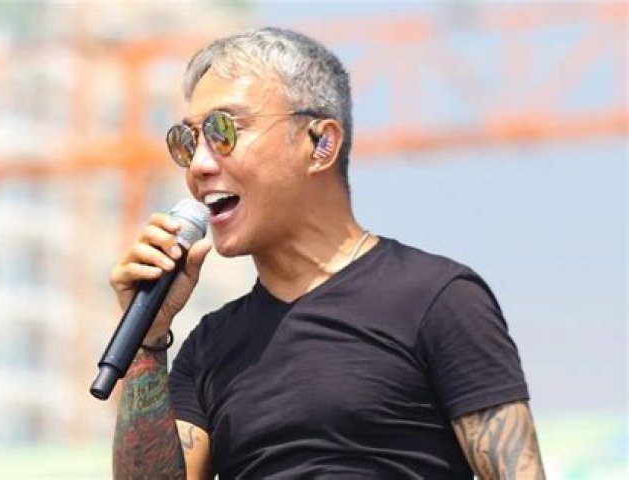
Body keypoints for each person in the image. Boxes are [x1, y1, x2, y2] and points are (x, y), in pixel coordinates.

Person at [109, 27, 545, 479]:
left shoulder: (436, 298)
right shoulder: (209, 346)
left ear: (320, 144)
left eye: (224, 131)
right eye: (188, 141)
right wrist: (148, 341)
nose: (199, 165)